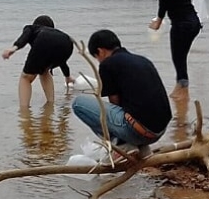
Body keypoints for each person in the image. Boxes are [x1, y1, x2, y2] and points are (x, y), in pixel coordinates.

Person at [71, 29, 171, 160]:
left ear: (100, 51)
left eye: (97, 57)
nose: (99, 61)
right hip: (159, 132)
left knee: (78, 103)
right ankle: (140, 147)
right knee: (135, 108)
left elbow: (115, 103)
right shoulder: (143, 61)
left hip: (139, 132)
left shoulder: (107, 64)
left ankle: (122, 144)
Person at [149, 0, 201, 89]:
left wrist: (158, 22)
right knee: (181, 57)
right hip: (194, 23)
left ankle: (181, 94)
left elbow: (163, 4)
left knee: (178, 59)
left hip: (181, 25)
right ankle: (183, 90)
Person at [2, 15, 73, 108]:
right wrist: (67, 76)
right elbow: (62, 63)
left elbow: (25, 37)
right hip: (67, 42)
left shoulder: (31, 28)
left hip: (43, 40)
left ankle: (24, 110)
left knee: (26, 77)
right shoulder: (56, 33)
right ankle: (50, 104)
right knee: (44, 71)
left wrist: (14, 48)